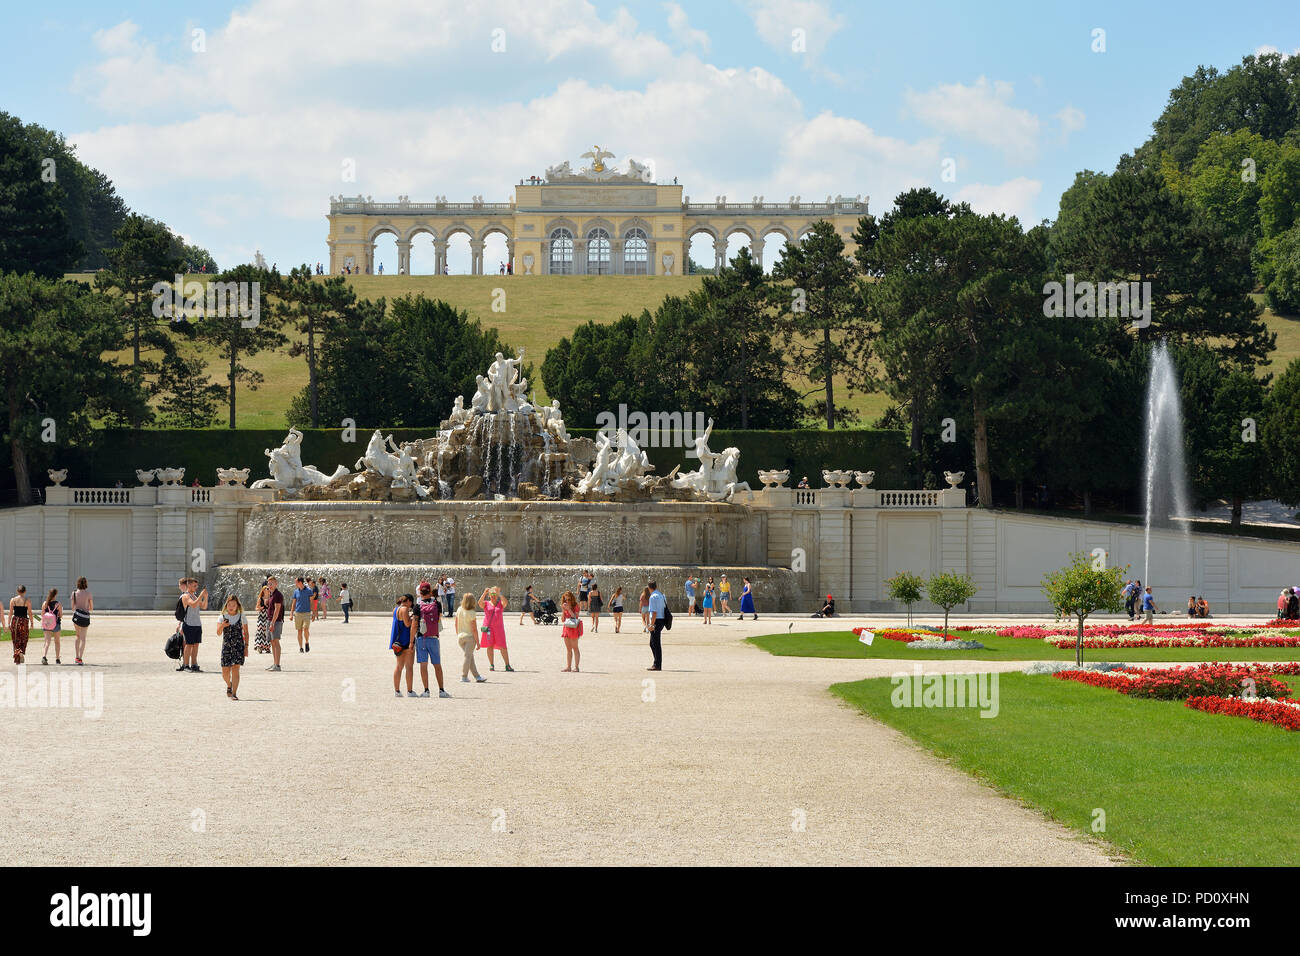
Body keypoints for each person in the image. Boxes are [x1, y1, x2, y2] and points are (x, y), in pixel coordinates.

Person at [414, 581, 450, 698]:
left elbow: (415, 624)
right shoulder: (437, 604)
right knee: (437, 665)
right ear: (430, 591)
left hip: (421, 638)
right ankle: (441, 690)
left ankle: (426, 690)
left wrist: (410, 641)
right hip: (434, 637)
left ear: (420, 592)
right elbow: (439, 618)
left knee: (423, 665)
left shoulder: (417, 606)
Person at [218, 595, 250, 700]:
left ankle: (234, 693)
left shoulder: (242, 616)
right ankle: (229, 685)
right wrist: (222, 625)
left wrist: (246, 647)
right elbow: (218, 633)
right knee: (225, 672)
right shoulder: (222, 617)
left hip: (239, 646)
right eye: (229, 605)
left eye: (234, 605)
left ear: (237, 606)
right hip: (226, 647)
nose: (231, 607)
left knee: (236, 669)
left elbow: (246, 633)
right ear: (226, 605)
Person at [479, 587, 513, 671]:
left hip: (499, 629)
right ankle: (491, 664)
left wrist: (499, 593)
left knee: (503, 646)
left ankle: (507, 665)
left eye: (494, 594)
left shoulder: (500, 604)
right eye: (491, 594)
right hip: (489, 629)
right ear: (489, 595)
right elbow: (479, 603)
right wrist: (484, 593)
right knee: (489, 646)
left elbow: (506, 602)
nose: (493, 596)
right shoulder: (486, 603)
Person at [456, 593, 487, 683]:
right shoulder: (472, 613)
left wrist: (458, 634)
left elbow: (456, 623)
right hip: (469, 637)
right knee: (468, 656)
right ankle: (464, 676)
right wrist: (478, 642)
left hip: (461, 637)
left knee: (469, 657)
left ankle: (477, 676)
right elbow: (474, 629)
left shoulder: (459, 609)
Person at [390, 593, 417, 697]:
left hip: (397, 641)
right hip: (406, 640)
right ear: (409, 601)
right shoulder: (405, 609)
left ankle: (397, 691)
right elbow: (407, 624)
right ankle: (410, 691)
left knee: (399, 666)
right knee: (409, 666)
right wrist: (413, 618)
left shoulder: (395, 609)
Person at [181, 578, 209, 671]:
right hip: (189, 624)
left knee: (196, 644)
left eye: (197, 586)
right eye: (194, 586)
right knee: (189, 644)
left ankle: (194, 664)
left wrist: (205, 597)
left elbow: (204, 606)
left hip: (197, 624)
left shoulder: (194, 596)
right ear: (189, 585)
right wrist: (201, 595)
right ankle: (185, 665)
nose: (196, 587)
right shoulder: (186, 596)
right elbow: (193, 605)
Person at [68, 577, 93, 666]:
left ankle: (76, 656)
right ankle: (80, 658)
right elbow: (91, 608)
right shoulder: (88, 593)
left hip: (77, 617)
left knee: (77, 636)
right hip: (85, 616)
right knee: (83, 638)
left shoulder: (74, 593)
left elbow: (72, 607)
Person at [7, 586, 31, 664]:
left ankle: (18, 656)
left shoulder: (13, 600)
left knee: (15, 639)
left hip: (15, 621)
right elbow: (30, 613)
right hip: (24, 621)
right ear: (25, 591)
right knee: (23, 638)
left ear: (17, 591)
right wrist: (32, 622)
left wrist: (8, 623)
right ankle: (20, 653)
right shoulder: (27, 600)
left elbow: (10, 613)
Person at [265, 576, 285, 671]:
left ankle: (277, 665)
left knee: (276, 641)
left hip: (275, 621)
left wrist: (272, 623)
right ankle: (274, 663)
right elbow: (267, 605)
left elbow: (277, 610)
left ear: (276, 584)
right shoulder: (271, 594)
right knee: (272, 642)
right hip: (270, 620)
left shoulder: (278, 595)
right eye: (268, 584)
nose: (270, 585)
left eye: (272, 583)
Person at [560, 590, 582, 672]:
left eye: (569, 599)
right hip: (566, 628)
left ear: (572, 599)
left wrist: (569, 609)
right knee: (568, 649)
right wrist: (563, 610)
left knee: (575, 648)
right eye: (565, 600)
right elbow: (562, 620)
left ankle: (576, 667)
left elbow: (575, 617)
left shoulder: (575, 606)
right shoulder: (564, 606)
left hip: (573, 628)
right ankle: (568, 667)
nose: (567, 601)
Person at [646, 580, 665, 671]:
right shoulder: (661, 595)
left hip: (656, 621)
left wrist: (651, 624)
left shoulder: (653, 597)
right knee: (653, 643)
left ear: (649, 588)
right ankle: (657, 662)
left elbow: (654, 612)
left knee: (655, 644)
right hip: (661, 620)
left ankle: (657, 664)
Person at [41, 588, 63, 665]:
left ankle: (44, 656)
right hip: (56, 624)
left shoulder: (45, 603)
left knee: (47, 642)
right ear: (56, 594)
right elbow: (61, 615)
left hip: (47, 625)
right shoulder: (58, 604)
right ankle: (57, 659)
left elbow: (42, 615)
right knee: (57, 642)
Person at [291, 576, 313, 653]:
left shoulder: (309, 591)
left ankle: (306, 642)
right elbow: (293, 603)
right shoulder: (296, 592)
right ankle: (301, 648)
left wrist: (313, 613)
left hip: (307, 613)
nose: (295, 583)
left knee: (306, 629)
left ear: (300, 582)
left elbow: (311, 602)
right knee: (299, 631)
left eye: (296, 582)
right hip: (298, 613)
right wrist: (291, 613)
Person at [254, 582, 271, 654]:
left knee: (267, 631)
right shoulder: (260, 599)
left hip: (268, 616)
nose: (267, 590)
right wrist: (260, 608)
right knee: (260, 630)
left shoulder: (271, 598)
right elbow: (256, 608)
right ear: (263, 590)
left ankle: (267, 647)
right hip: (261, 616)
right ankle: (259, 646)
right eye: (266, 589)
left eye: (268, 589)